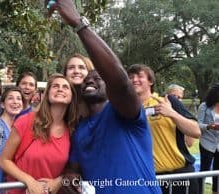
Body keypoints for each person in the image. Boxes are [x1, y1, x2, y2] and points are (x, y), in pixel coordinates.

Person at [44, 1, 162, 193]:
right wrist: (70, 175)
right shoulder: (80, 130)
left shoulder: (125, 112)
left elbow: (120, 82)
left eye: (98, 78)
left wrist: (78, 23)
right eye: (87, 80)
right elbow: (73, 167)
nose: (90, 81)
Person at [127, 64, 201, 194]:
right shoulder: (127, 110)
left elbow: (196, 132)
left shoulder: (167, 101)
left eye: (139, 76)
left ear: (150, 81)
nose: (134, 79)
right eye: (131, 77)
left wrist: (171, 113)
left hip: (179, 176)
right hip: (149, 179)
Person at [0, 73, 78, 194]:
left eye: (65, 87)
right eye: (55, 86)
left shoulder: (72, 130)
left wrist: (59, 180)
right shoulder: (27, 121)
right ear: (47, 94)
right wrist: (30, 182)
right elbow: (3, 160)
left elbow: (73, 167)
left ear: (72, 96)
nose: (60, 88)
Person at [197, 83, 219, 194]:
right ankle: (200, 191)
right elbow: (197, 125)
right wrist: (209, 127)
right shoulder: (204, 106)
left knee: (217, 172)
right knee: (204, 170)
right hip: (207, 143)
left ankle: (215, 191)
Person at [63, 53, 94, 119]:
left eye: (81, 67)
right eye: (71, 68)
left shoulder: (99, 100)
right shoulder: (59, 101)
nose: (76, 71)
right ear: (65, 74)